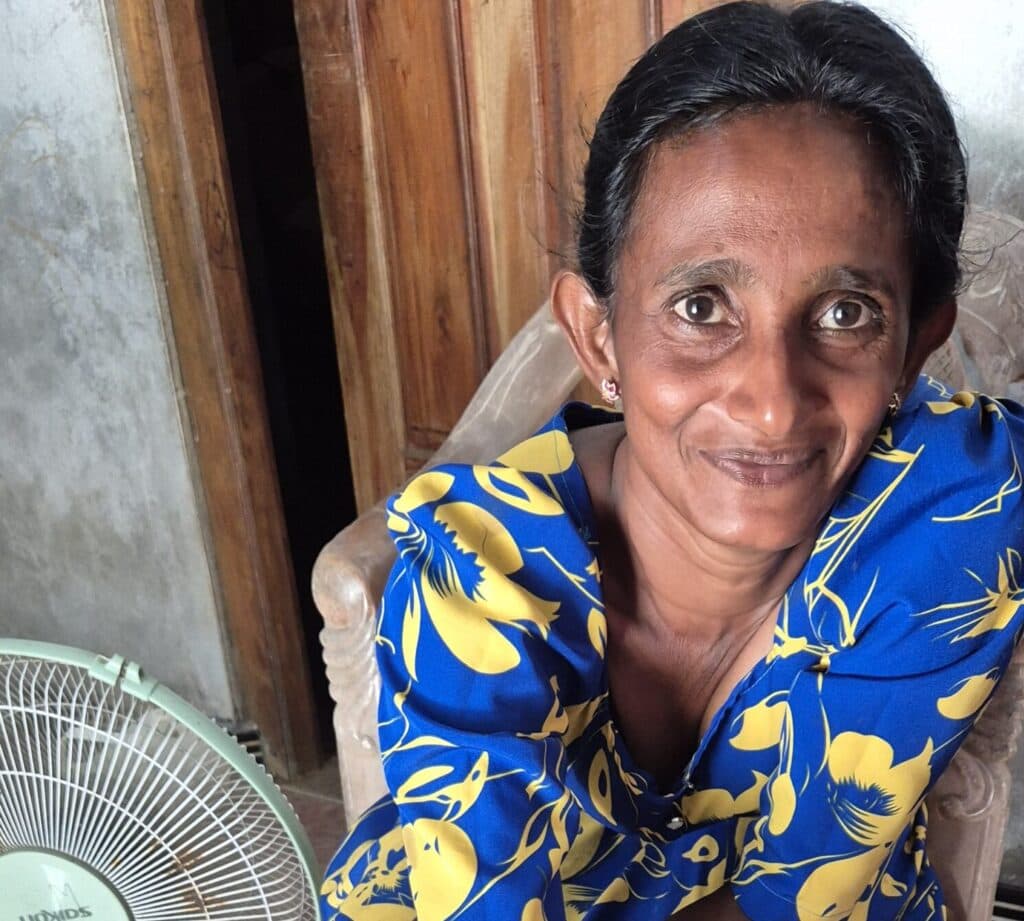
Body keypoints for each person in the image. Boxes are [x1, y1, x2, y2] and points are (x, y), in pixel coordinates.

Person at [320, 2, 1024, 919]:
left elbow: (799, 887)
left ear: (915, 346)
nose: (772, 400)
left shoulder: (952, 510)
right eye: (701, 307)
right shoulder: (479, 575)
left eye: (847, 313)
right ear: (599, 337)